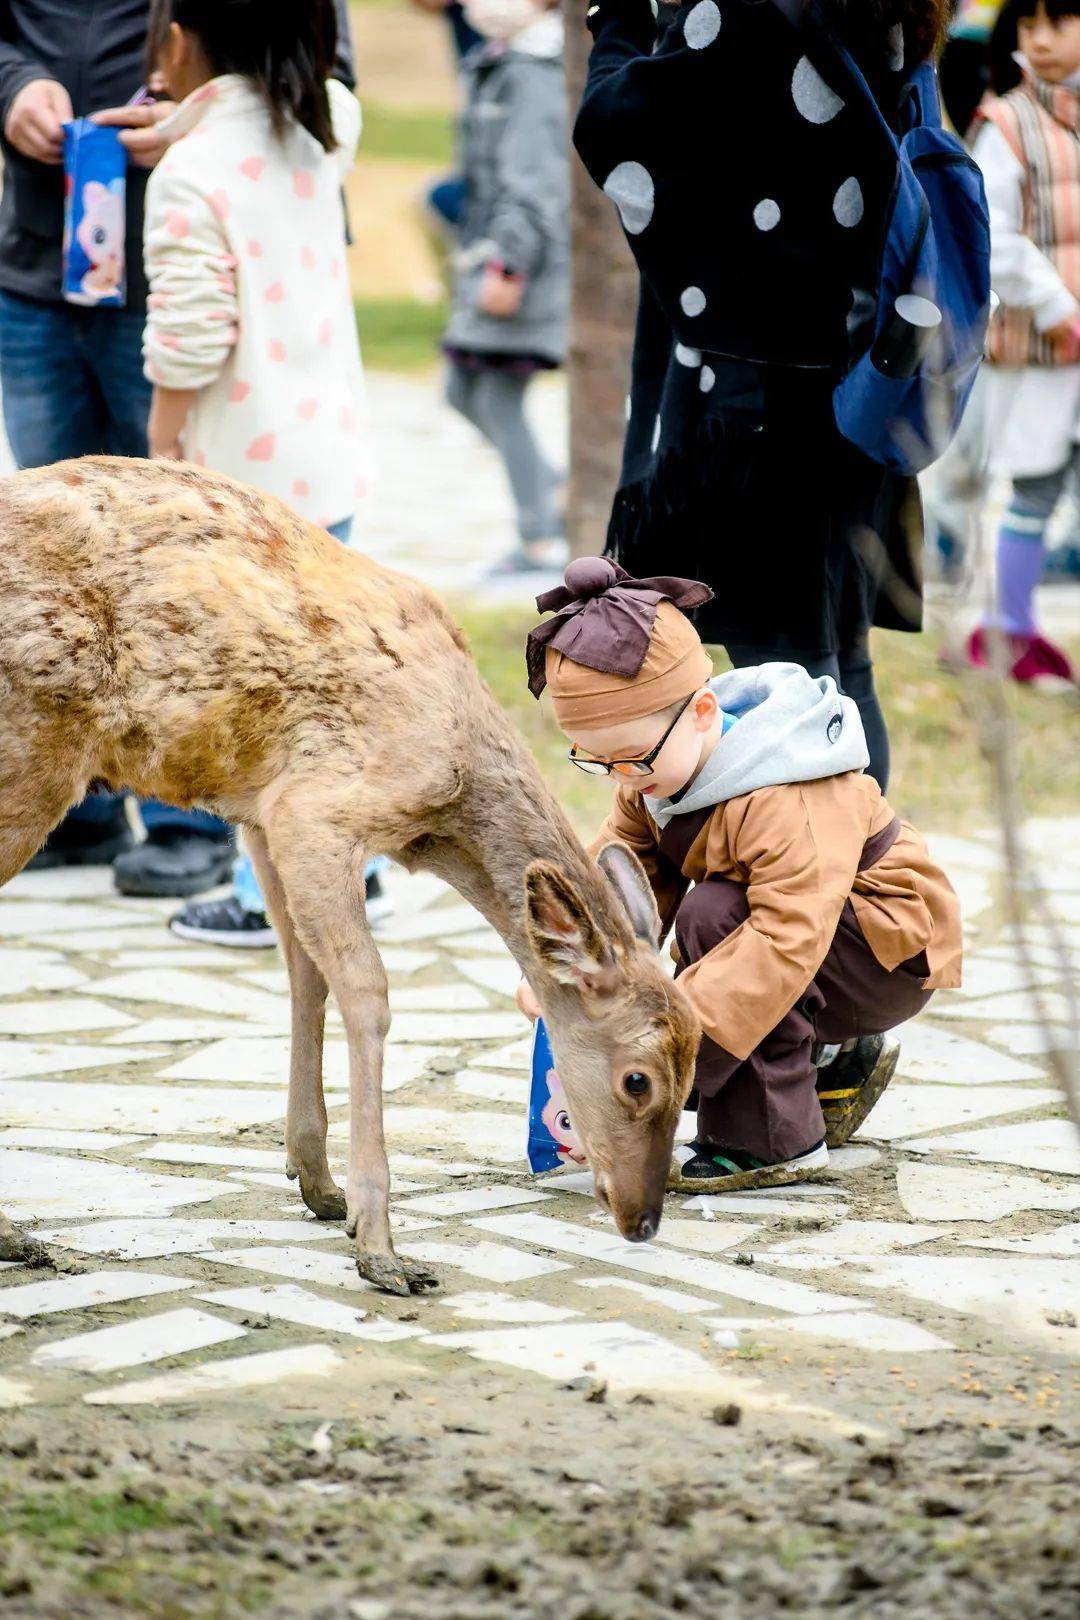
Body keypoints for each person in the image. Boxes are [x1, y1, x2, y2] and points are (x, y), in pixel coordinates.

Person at [571, 0, 956, 791]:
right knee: (840, 668)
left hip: (750, 402)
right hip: (855, 383)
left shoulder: (742, 11)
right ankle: (859, 891)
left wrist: (615, 21)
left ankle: (819, 896)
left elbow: (616, 131)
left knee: (787, 678)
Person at [517, 560, 962, 1190]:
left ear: (702, 712)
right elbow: (617, 876)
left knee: (715, 916)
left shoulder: (789, 790)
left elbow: (788, 935)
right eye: (597, 761)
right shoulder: (652, 771)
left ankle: (773, 1141)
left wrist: (674, 1040)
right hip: (825, 938)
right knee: (718, 914)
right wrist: (563, 975)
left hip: (885, 953)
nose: (622, 777)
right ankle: (826, 1061)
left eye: (632, 759)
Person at [134, 0, 387, 944]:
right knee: (326, 690)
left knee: (255, 701)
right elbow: (312, 90)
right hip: (331, 462)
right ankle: (355, 869)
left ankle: (262, 899)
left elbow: (193, 340)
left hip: (242, 480)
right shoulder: (327, 126)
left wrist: (159, 446)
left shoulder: (190, 175)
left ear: (189, 39)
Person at [0, 0, 236, 891]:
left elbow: (321, 80)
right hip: (32, 272)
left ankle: (190, 809)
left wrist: (192, 119)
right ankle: (69, 798)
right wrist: (13, 89)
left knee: (179, 551)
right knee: (47, 556)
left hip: (178, 279)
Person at [961, 0, 1080, 685]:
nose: (1040, 40)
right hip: (1040, 351)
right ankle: (1008, 634)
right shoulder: (1004, 122)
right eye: (1029, 26)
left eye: (1057, 23)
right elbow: (991, 232)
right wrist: (1056, 306)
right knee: (1034, 489)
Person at [442, 0, 569, 575]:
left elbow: (535, 183)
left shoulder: (534, 71)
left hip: (522, 260)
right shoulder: (498, 59)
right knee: (462, 390)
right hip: (490, 252)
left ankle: (541, 538)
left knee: (495, 396)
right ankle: (555, 492)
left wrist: (510, 267)